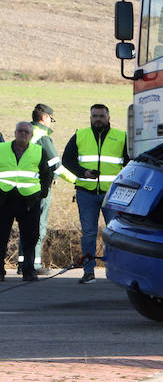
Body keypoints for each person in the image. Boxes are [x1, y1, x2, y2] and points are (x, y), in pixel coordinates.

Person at [62, 104, 129, 284]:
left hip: (113, 195)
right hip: (86, 192)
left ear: (108, 117)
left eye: (101, 116)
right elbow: (66, 160)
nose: (97, 119)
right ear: (90, 117)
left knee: (114, 235)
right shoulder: (80, 135)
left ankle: (116, 272)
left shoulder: (121, 137)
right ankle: (88, 272)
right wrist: (83, 173)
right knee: (89, 234)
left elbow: (131, 163)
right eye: (94, 116)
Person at [17, 104, 77, 276]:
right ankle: (34, 265)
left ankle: (23, 263)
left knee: (25, 227)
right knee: (38, 226)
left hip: (19, 188)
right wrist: (77, 181)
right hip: (38, 189)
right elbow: (56, 167)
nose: (51, 122)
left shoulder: (23, 134)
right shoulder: (42, 137)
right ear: (44, 118)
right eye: (51, 119)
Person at [0, 122, 53, 282]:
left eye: (26, 132)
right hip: (4, 200)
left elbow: (46, 175)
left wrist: (40, 195)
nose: (23, 134)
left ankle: (28, 271)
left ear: (30, 135)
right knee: (1, 237)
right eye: (20, 131)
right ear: (15, 133)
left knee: (30, 238)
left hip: (29, 201)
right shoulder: (2, 149)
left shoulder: (39, 151)